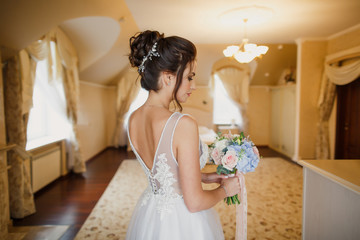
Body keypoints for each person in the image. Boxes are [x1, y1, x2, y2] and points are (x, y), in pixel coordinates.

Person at [126, 30, 241, 240]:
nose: (194, 86)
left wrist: (205, 177)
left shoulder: (133, 119)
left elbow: (166, 175)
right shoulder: (183, 123)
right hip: (181, 223)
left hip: (151, 215)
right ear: (168, 77)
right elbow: (195, 203)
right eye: (189, 77)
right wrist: (226, 189)